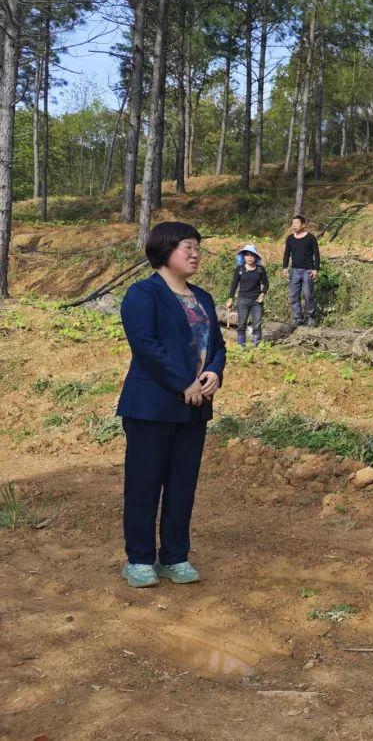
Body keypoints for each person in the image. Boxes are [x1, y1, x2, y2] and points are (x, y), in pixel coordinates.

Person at [115, 221, 226, 588]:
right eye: (187, 246)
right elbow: (146, 346)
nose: (195, 253)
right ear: (164, 251)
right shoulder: (142, 294)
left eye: (198, 247)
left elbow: (218, 345)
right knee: (144, 485)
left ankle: (175, 556)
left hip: (194, 409)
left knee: (182, 486)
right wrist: (184, 383)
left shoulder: (204, 298)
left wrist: (213, 373)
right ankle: (140, 559)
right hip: (151, 406)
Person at [225, 244, 270, 347]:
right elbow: (234, 284)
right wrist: (230, 299)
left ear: (256, 257)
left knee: (257, 326)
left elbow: (266, 284)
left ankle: (256, 348)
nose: (249, 258)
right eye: (247, 255)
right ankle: (241, 347)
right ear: (243, 256)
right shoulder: (239, 269)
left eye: (252, 255)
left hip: (257, 302)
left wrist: (263, 294)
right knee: (241, 325)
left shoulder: (260, 269)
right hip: (242, 300)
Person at [282, 214, 320, 326]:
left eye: (297, 223)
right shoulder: (290, 238)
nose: (294, 226)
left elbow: (316, 255)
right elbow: (286, 254)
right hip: (294, 270)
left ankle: (311, 317)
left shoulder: (311, 238)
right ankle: (298, 318)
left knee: (308, 294)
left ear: (303, 225)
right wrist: (284, 267)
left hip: (308, 270)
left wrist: (316, 269)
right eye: (293, 223)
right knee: (294, 295)